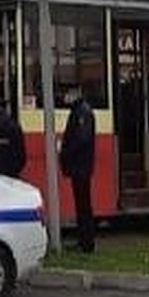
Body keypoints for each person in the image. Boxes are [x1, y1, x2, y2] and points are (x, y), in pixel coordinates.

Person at [59, 85, 97, 253]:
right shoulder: (79, 110)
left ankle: (86, 243)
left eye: (68, 93)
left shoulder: (82, 112)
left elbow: (82, 138)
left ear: (76, 94)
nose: (65, 97)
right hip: (80, 165)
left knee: (83, 205)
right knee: (81, 204)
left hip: (81, 165)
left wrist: (66, 152)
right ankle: (83, 240)